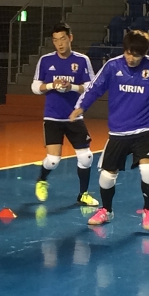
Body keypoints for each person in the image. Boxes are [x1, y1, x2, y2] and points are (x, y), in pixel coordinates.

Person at [69, 30, 149, 230]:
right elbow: (95, 87)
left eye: (135, 54)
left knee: (148, 170)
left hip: (146, 129)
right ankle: (106, 210)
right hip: (118, 131)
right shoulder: (113, 66)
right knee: (107, 177)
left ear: (144, 53)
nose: (131, 58)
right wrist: (81, 106)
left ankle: (148, 211)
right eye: (127, 52)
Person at [31, 22, 98, 207]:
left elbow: (91, 87)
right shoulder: (45, 60)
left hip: (74, 116)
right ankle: (42, 180)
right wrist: (52, 85)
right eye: (55, 40)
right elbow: (35, 87)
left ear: (70, 38)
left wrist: (72, 87)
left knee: (86, 157)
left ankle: (83, 194)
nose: (59, 44)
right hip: (52, 117)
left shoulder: (82, 60)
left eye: (62, 39)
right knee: (53, 160)